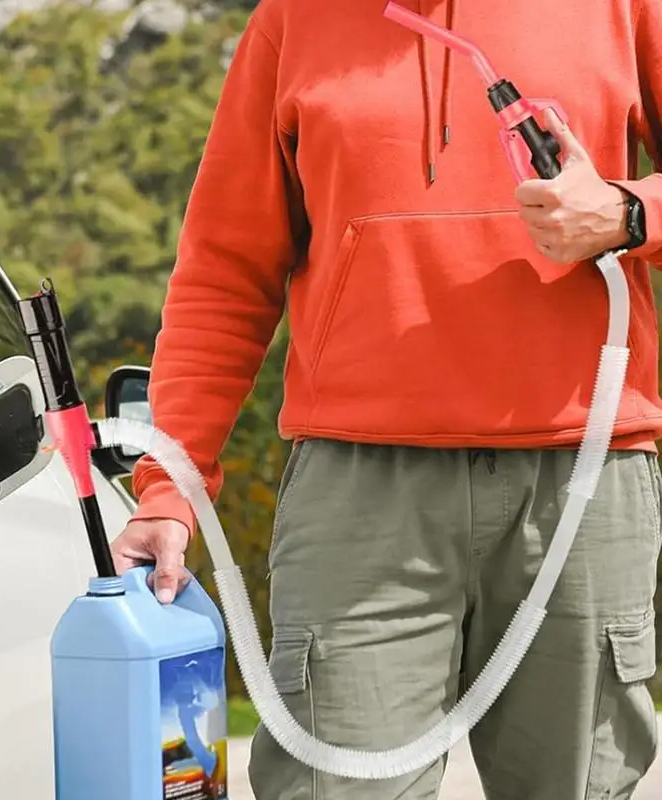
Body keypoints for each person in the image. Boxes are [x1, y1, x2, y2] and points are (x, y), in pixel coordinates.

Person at [110, 0, 662, 797]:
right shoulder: (292, 22)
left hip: (581, 481)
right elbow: (223, 277)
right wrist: (170, 491)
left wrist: (627, 211)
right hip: (358, 501)